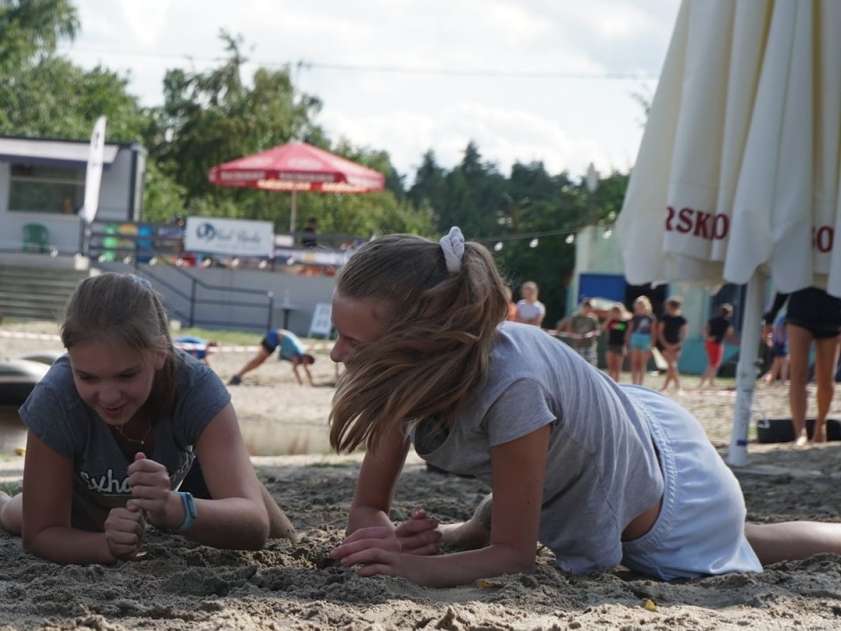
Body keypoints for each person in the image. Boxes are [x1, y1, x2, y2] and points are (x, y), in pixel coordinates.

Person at [324, 229, 841, 587]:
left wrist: (408, 569)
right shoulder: (405, 376)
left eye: (353, 341)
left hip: (667, 505)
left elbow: (515, 556)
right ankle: (460, 534)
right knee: (751, 538)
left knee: (737, 543)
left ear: (423, 341)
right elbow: (366, 508)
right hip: (615, 432)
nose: (335, 353)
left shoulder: (512, 387)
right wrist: (385, 538)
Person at [0, 273, 294, 564]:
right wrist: (105, 545)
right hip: (79, 499)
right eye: (88, 377)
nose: (108, 396)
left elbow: (255, 526)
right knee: (17, 515)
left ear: (160, 353)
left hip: (174, 489)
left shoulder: (196, 387)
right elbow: (39, 536)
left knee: (280, 532)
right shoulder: (55, 397)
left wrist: (176, 509)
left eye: (126, 375)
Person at [766, 288, 841, 445]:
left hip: (833, 315)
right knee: (798, 372)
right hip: (799, 312)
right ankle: (799, 432)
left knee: (826, 380)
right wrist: (770, 318)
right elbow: (785, 282)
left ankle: (821, 424)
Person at [228, 326, 316, 386]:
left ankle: (239, 375)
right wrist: (300, 382)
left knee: (259, 360)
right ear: (306, 359)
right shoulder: (297, 355)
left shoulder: (301, 352)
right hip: (274, 337)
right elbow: (295, 369)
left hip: (277, 336)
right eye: (307, 363)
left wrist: (311, 382)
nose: (306, 365)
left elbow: (306, 369)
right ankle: (238, 375)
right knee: (259, 360)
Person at [552, 299, 602, 367]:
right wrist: (574, 335)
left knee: (591, 365)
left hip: (589, 345)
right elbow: (569, 329)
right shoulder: (575, 317)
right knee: (578, 365)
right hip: (578, 346)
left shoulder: (592, 318)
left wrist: (590, 334)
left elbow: (597, 330)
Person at [698, 303, 737, 389]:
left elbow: (703, 328)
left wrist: (707, 337)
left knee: (712, 363)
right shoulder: (726, 322)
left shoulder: (713, 319)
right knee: (714, 364)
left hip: (709, 343)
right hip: (717, 343)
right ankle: (706, 381)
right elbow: (730, 332)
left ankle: (710, 381)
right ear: (729, 313)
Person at [655, 297, 688, 393]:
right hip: (665, 345)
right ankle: (678, 386)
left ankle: (665, 387)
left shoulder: (681, 319)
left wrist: (678, 344)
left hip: (676, 345)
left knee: (671, 367)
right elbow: (660, 332)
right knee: (672, 366)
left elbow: (684, 333)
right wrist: (665, 344)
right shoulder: (664, 318)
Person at [626, 296, 655, 386]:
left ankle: (640, 383)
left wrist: (652, 344)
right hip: (635, 339)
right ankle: (634, 382)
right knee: (635, 362)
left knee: (642, 363)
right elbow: (629, 330)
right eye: (638, 307)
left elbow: (653, 332)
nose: (639, 309)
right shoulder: (634, 317)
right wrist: (628, 342)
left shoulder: (651, 318)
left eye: (641, 306)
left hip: (646, 340)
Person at [601, 302, 631, 383]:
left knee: (618, 368)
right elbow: (602, 329)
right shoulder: (610, 322)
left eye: (617, 312)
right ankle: (610, 383)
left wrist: (627, 346)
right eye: (614, 312)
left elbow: (627, 335)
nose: (615, 314)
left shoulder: (625, 323)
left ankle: (617, 383)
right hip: (611, 345)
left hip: (620, 346)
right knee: (610, 367)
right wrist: (609, 319)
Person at [761, 311, 790, 386]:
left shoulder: (782, 317)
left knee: (777, 362)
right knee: (784, 361)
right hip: (781, 342)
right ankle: (783, 380)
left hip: (779, 342)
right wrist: (781, 340)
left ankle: (773, 380)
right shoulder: (785, 318)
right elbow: (779, 328)